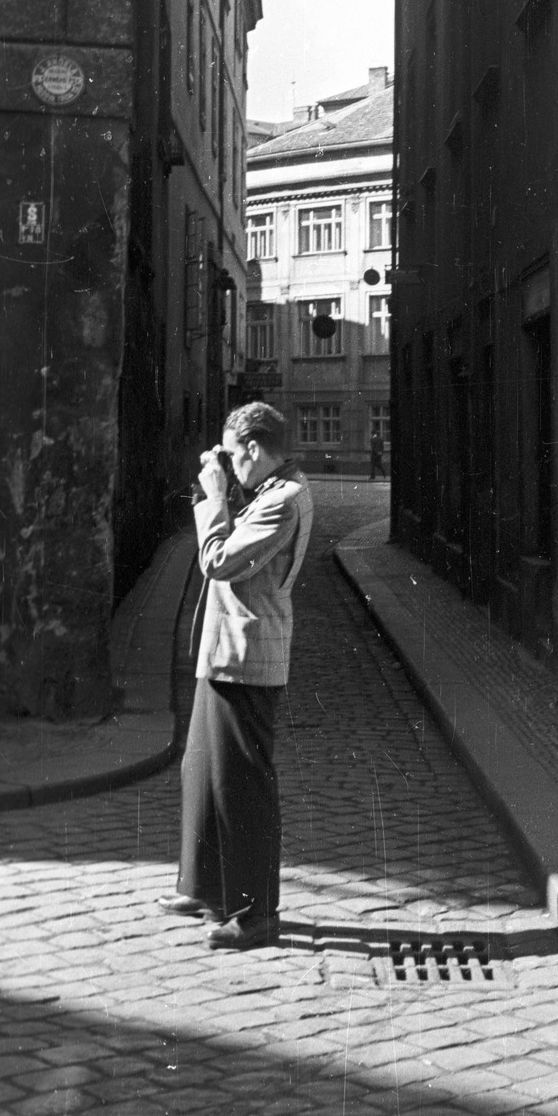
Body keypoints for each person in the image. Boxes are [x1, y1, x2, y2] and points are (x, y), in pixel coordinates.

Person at [157, 402, 313, 951]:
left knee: (241, 786)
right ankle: (202, 886)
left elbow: (218, 560)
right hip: (224, 654)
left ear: (251, 448)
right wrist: (218, 492)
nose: (228, 464)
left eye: (231, 453)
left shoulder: (286, 502)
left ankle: (255, 911)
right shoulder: (270, 492)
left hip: (248, 660)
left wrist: (216, 497)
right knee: (200, 767)